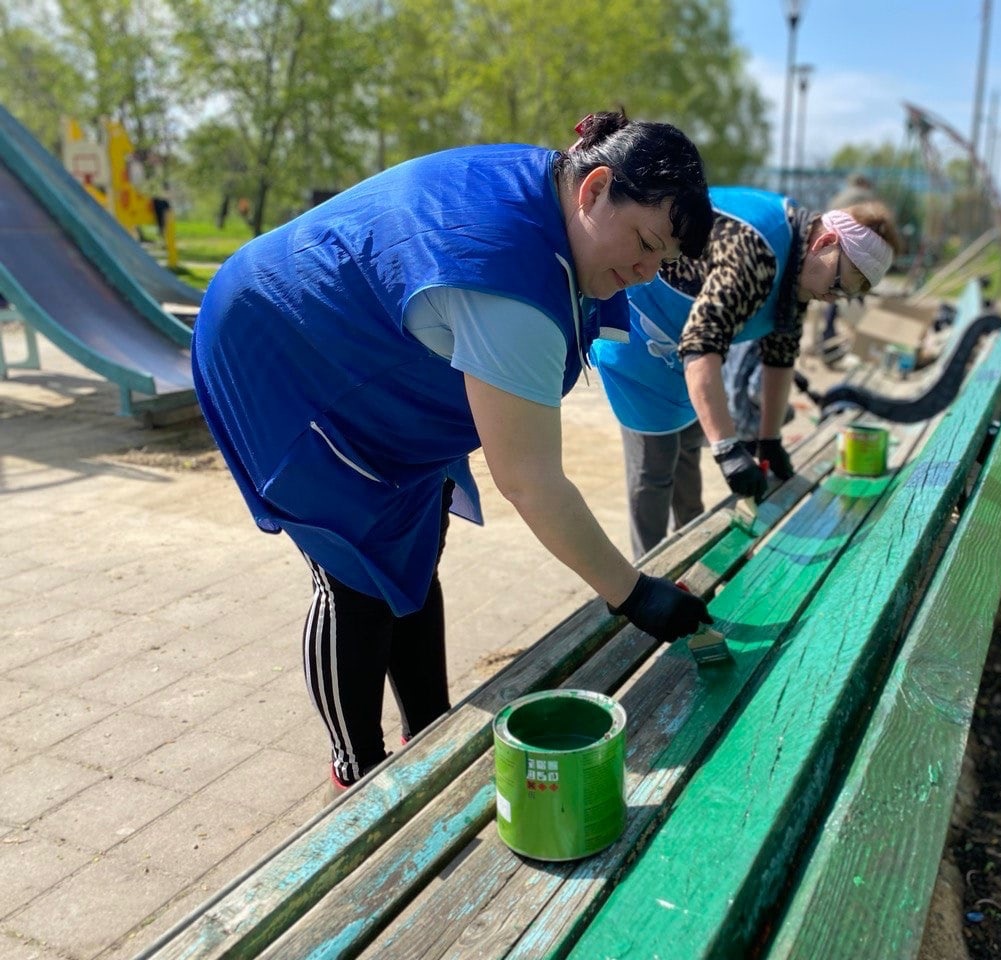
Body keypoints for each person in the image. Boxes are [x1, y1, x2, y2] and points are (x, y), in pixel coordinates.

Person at [191, 111, 716, 791]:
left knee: (415, 537)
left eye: (660, 260)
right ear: (594, 188)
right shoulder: (508, 281)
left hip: (370, 347)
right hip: (279, 350)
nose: (645, 274)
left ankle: (430, 728)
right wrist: (633, 594)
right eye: (644, 244)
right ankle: (359, 771)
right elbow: (529, 481)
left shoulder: (556, 186)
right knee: (354, 572)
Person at [590, 192, 901, 558]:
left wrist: (769, 439)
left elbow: (780, 353)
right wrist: (727, 449)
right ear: (826, 241)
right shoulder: (759, 249)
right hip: (639, 331)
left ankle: (692, 560)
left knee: (688, 447)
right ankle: (649, 576)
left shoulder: (800, 265)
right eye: (835, 284)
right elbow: (701, 347)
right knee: (654, 470)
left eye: (842, 296)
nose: (830, 299)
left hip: (681, 352)